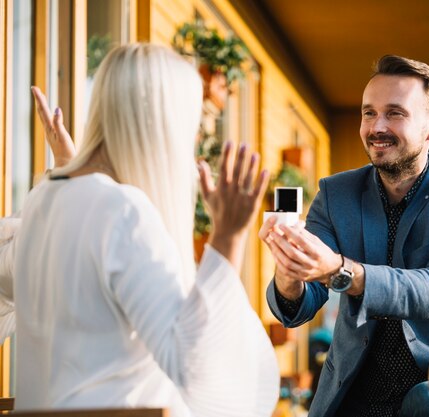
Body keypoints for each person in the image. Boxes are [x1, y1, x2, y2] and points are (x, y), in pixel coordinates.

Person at [0, 43, 279, 416]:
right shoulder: (124, 213)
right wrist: (228, 236)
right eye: (190, 126)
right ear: (162, 124)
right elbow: (193, 369)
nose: (193, 142)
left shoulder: (41, 203)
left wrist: (71, 168)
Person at [260, 55, 429, 417]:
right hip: (353, 399)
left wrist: (341, 271)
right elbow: (298, 308)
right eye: (368, 113)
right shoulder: (336, 194)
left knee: (427, 402)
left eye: (395, 113)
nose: (376, 126)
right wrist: (289, 268)